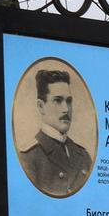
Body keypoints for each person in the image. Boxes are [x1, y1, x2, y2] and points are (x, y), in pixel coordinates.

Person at [18, 66, 92, 197]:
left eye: (69, 101)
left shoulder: (84, 156)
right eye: (57, 100)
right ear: (41, 106)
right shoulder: (29, 158)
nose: (66, 109)